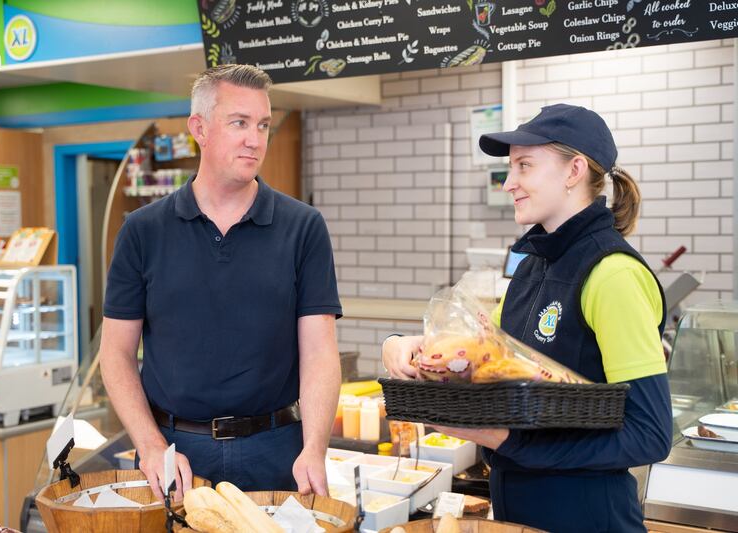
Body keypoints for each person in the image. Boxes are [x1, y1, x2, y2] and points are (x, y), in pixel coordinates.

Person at [383, 104, 672, 532]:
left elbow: (649, 435)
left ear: (574, 170)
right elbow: (487, 364)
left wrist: (509, 441)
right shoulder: (531, 266)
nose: (509, 183)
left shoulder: (613, 274)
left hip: (586, 515)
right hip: (516, 506)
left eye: (523, 166)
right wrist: (409, 347)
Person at [99, 64, 342, 502]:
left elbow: (320, 351)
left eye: (263, 124)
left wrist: (314, 447)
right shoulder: (142, 230)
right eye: (239, 123)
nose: (255, 138)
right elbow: (115, 355)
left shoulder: (303, 227)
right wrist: (151, 446)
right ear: (200, 128)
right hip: (176, 453)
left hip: (277, 449)